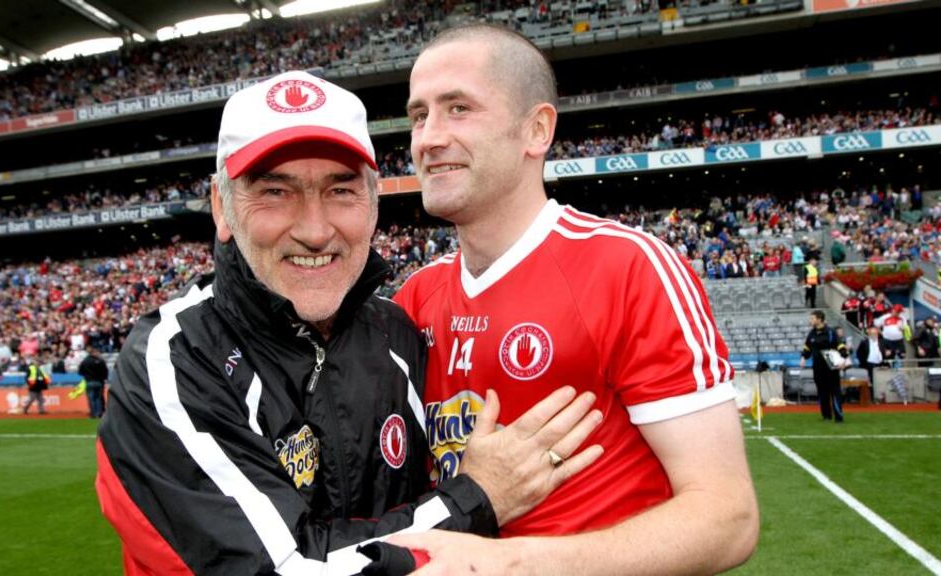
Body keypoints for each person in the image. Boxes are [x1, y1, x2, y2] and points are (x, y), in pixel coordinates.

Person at [95, 70, 602, 576]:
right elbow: (282, 567)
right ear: (221, 208)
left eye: (341, 191)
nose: (316, 230)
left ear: (374, 204)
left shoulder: (400, 332)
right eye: (275, 191)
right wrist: (474, 499)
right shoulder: (173, 360)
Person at [390, 24, 757, 575]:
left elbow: (727, 518)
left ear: (536, 129)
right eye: (420, 116)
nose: (429, 137)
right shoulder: (413, 298)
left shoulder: (629, 269)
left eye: (458, 108)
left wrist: (512, 564)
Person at [800, 310, 847, 422]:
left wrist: (844, 360)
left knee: (835, 391)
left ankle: (838, 416)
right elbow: (807, 348)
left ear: (819, 319)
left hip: (831, 364)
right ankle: (826, 416)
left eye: (812, 318)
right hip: (817, 366)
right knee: (822, 391)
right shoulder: (811, 333)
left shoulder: (831, 332)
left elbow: (840, 346)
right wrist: (803, 358)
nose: (810, 320)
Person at [855, 326, 888, 401]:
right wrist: (863, 363)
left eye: (875, 334)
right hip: (868, 365)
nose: (873, 335)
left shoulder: (882, 342)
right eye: (872, 334)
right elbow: (859, 353)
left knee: (880, 381)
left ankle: (880, 397)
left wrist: (888, 353)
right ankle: (871, 398)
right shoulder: (864, 342)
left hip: (880, 364)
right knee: (870, 382)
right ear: (869, 334)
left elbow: (888, 350)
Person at [77, 346, 109, 418]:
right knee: (98, 398)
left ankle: (93, 413)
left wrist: (87, 375)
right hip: (99, 382)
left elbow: (80, 371)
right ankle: (99, 413)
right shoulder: (100, 361)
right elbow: (105, 371)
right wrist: (103, 378)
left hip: (89, 381)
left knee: (91, 398)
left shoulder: (85, 361)